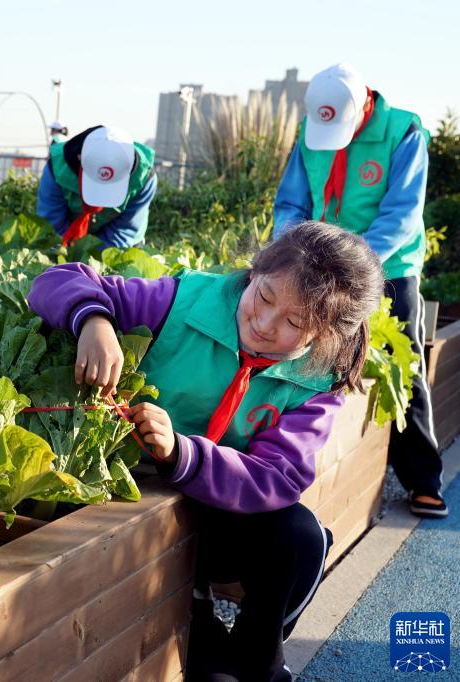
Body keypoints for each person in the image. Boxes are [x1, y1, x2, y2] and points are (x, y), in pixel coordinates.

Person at [28, 222, 385, 681]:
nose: (265, 324)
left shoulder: (319, 379)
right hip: (138, 511)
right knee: (210, 674)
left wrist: (182, 453)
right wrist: (94, 320)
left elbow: (278, 477)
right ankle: (199, 615)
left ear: (326, 335)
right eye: (264, 297)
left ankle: (260, 659)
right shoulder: (184, 301)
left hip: (222, 517)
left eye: (295, 324)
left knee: (302, 538)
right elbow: (56, 279)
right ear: (254, 272)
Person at [273, 63, 445, 518]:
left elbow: (402, 214)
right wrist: (289, 250)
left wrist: (354, 262)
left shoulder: (403, 132)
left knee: (401, 367)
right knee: (308, 357)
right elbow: (291, 202)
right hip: (318, 269)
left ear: (364, 106)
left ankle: (424, 479)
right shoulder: (313, 130)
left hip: (388, 268)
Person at [36, 125, 158, 249]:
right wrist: (65, 252)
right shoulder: (56, 169)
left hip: (116, 239)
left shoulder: (144, 177)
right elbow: (52, 223)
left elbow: (125, 230)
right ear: (80, 158)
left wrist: (92, 255)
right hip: (67, 232)